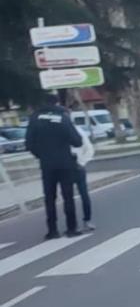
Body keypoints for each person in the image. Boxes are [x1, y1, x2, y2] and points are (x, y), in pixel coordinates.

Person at [25, 94, 84, 239]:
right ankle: (72, 228)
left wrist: (42, 155)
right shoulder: (63, 118)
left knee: (49, 198)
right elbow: (77, 141)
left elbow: (29, 144)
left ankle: (52, 230)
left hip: (47, 164)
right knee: (68, 196)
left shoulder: (34, 119)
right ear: (56, 103)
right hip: (65, 163)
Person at [72, 125, 95, 231]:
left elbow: (89, 148)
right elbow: (89, 148)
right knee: (70, 196)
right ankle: (78, 223)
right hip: (70, 166)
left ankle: (85, 220)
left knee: (82, 195)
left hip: (75, 166)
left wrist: (81, 162)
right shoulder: (77, 129)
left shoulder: (77, 130)